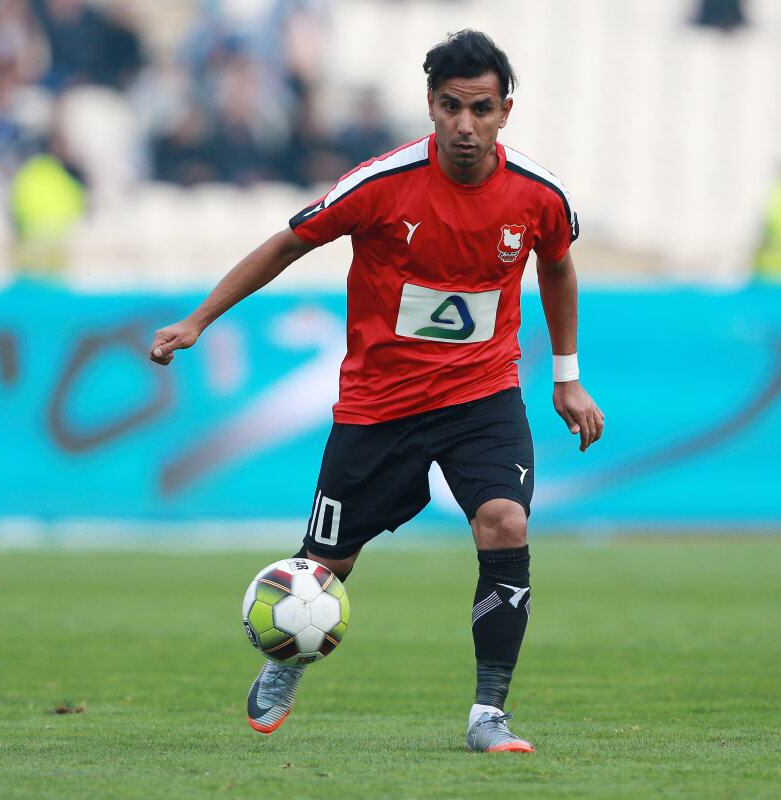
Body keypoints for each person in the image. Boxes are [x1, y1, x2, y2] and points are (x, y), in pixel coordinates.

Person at [149, 29, 604, 753]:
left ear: (504, 112)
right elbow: (288, 242)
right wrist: (198, 319)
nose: (465, 125)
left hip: (482, 395)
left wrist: (567, 377)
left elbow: (557, 265)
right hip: (379, 404)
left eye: (481, 109)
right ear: (430, 105)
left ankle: (488, 713)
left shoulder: (539, 196)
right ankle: (287, 660)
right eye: (451, 106)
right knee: (327, 566)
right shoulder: (381, 184)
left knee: (505, 523)